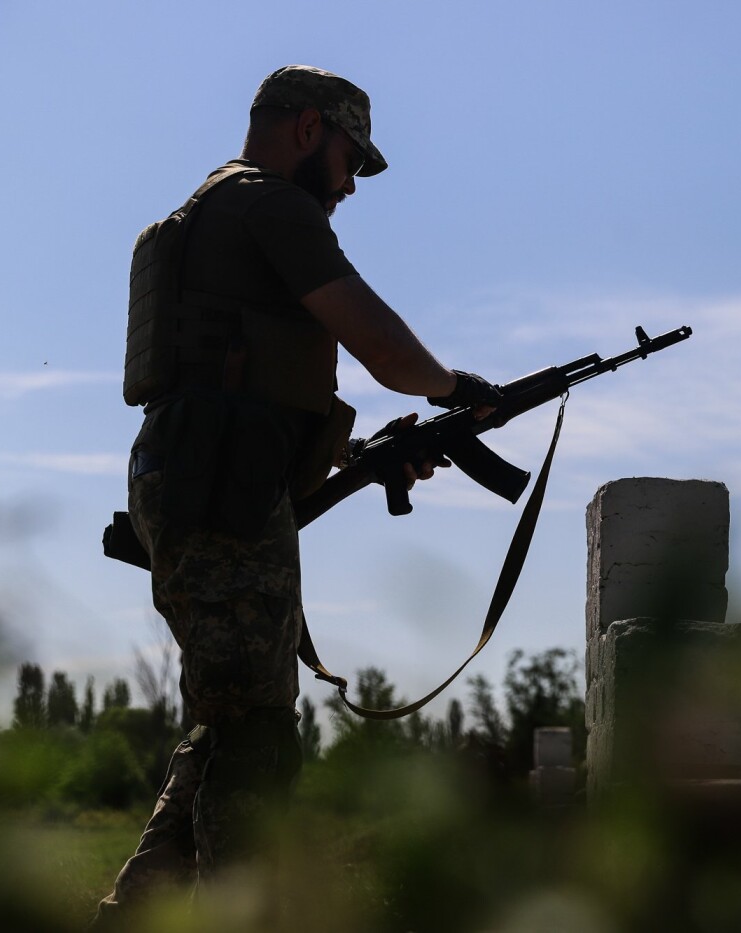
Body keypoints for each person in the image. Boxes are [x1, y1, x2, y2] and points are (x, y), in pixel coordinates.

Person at [91, 65, 500, 925]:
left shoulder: (217, 207)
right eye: (352, 157)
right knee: (256, 744)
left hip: (203, 481)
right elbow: (383, 346)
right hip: (218, 494)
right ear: (310, 129)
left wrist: (362, 452)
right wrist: (455, 389)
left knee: (229, 727)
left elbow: (242, 392)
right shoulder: (271, 204)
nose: (351, 185)